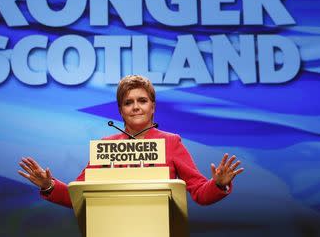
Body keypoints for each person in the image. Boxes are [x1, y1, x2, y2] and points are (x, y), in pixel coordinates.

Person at [18, 75, 244, 207]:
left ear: (152, 107)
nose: (136, 107)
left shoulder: (171, 143)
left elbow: (199, 193)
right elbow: (77, 196)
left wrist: (218, 184)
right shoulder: (107, 147)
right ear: (121, 110)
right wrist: (48, 185)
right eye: (128, 102)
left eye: (142, 101)